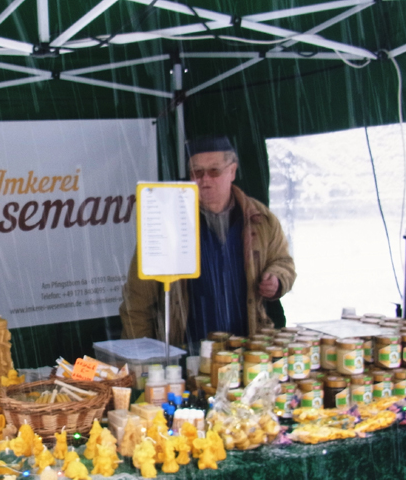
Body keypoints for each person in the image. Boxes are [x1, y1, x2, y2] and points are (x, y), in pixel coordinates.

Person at [120, 135, 296, 349]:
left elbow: (283, 262)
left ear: (232, 171)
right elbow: (137, 302)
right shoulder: (167, 221)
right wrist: (142, 353)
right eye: (197, 172)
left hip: (248, 348)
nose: (205, 180)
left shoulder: (261, 219)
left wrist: (277, 279)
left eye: (214, 171)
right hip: (187, 350)